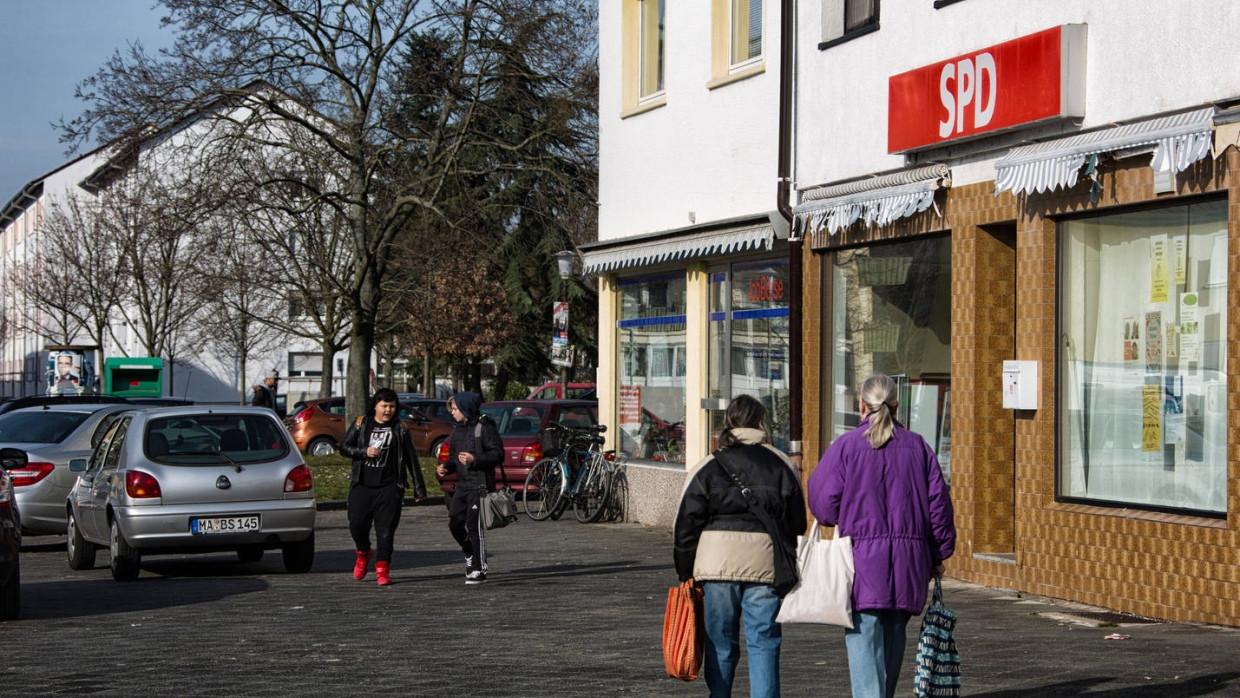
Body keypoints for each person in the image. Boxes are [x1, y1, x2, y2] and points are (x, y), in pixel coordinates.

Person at [807, 374, 956, 698]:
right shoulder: (918, 447)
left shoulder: (846, 447)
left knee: (865, 643)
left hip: (861, 564)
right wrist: (939, 553)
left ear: (862, 404)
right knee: (893, 640)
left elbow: (823, 505)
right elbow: (938, 507)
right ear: (896, 404)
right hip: (909, 564)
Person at [673, 395, 806, 698]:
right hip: (764, 566)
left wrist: (685, 570)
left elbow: (686, 524)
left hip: (716, 568)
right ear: (761, 423)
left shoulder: (707, 466)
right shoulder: (780, 463)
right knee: (764, 641)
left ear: (729, 423)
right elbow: (798, 521)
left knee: (720, 642)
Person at [339, 387, 426, 586]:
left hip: (389, 486)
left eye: (392, 406)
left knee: (385, 530)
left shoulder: (400, 429)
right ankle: (363, 552)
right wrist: (363, 451)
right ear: (375, 406)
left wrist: (418, 487)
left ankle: (382, 569)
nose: (388, 410)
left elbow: (411, 459)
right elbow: (344, 447)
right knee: (357, 525)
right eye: (384, 406)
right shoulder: (362, 424)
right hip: (362, 484)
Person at [435, 391, 502, 585]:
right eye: (452, 409)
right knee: (455, 523)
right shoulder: (458, 431)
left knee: (474, 526)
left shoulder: (485, 428)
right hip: (462, 486)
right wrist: (446, 467)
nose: (452, 413)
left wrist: (475, 460)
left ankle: (479, 569)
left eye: (455, 409)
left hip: (479, 486)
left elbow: (497, 454)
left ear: (466, 408)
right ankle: (469, 554)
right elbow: (455, 459)